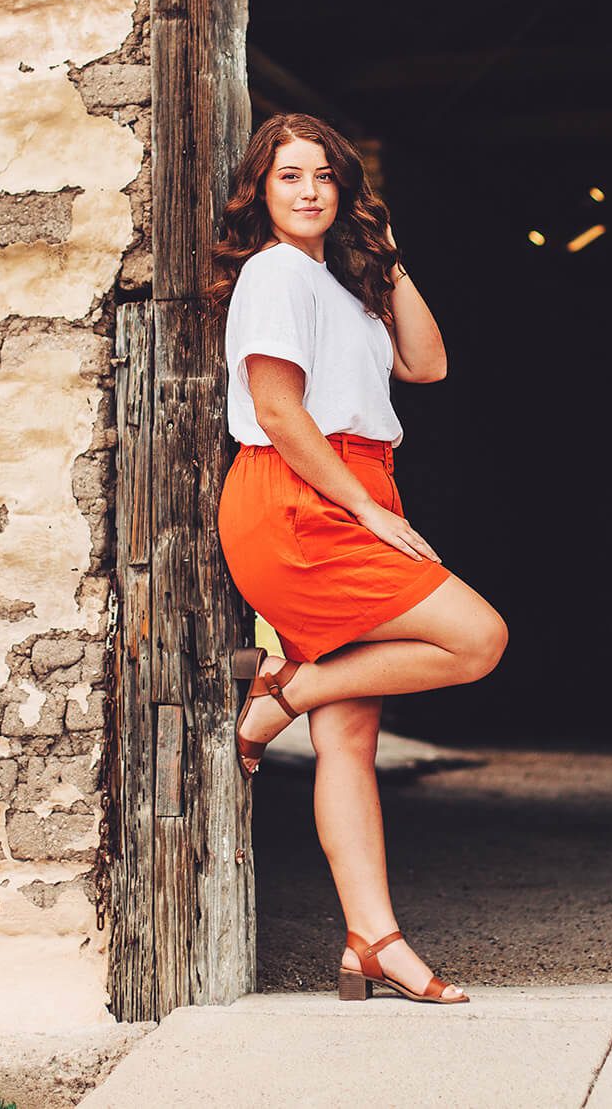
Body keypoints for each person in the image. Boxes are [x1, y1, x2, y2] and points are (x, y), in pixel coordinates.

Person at [207, 111, 509, 1005]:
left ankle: (372, 940)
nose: (308, 191)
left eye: (323, 177)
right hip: (303, 497)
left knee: (351, 738)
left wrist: (383, 249)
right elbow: (278, 411)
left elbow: (429, 363)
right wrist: (365, 508)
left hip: (348, 485)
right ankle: (285, 694)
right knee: (477, 638)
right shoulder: (271, 274)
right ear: (261, 191)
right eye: (289, 175)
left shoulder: (339, 284)